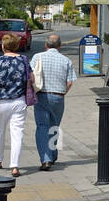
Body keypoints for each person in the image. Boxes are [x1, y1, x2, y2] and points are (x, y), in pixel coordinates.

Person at [0, 32, 29, 176]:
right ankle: (15, 166)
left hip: (1, 102)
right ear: (16, 46)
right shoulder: (24, 60)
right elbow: (31, 79)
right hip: (19, 101)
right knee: (17, 133)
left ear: (3, 46)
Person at [32, 32, 77, 170]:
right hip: (58, 96)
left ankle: (46, 159)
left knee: (42, 127)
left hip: (41, 96)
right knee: (54, 127)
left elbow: (31, 76)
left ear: (46, 45)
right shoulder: (66, 61)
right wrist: (62, 93)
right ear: (60, 46)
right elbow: (69, 82)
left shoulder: (37, 57)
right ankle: (53, 154)